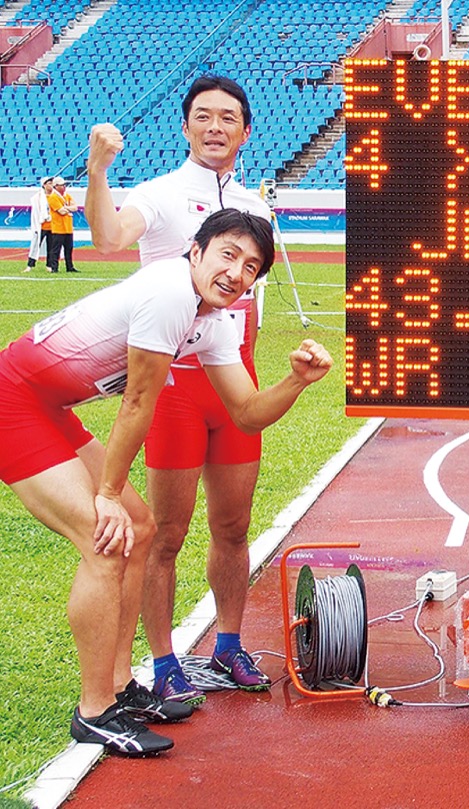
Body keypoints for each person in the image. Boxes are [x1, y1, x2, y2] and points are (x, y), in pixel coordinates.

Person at [0, 209, 332, 756]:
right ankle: (94, 712)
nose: (237, 272)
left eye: (251, 267)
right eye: (228, 254)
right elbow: (138, 401)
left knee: (142, 528)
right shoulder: (170, 292)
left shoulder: (214, 321)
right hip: (15, 401)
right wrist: (106, 495)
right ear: (195, 251)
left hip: (51, 405)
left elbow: (246, 413)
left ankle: (119, 685)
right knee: (106, 541)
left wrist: (295, 380)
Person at [85, 76, 275, 705]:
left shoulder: (258, 208)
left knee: (234, 525)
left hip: (232, 380)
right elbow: (110, 236)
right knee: (166, 533)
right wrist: (98, 168)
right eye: (203, 117)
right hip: (173, 389)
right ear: (186, 127)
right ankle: (163, 661)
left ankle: (228, 645)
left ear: (246, 130)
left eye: (228, 118)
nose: (215, 127)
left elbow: (249, 303)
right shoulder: (160, 195)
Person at [46, 176, 79, 273]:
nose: (64, 187)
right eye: (62, 185)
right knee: (56, 249)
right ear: (56, 186)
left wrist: (66, 207)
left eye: (64, 185)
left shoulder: (67, 196)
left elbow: (75, 207)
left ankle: (70, 267)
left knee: (69, 249)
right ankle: (54, 267)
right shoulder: (53, 197)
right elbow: (61, 211)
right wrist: (68, 208)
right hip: (58, 228)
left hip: (68, 227)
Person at [25, 176, 52, 272]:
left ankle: (50, 265)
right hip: (41, 225)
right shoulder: (37, 198)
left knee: (51, 247)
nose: (51, 185)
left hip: (52, 225)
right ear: (44, 185)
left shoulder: (55, 196)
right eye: (49, 183)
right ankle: (30, 265)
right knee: (36, 245)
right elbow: (37, 212)